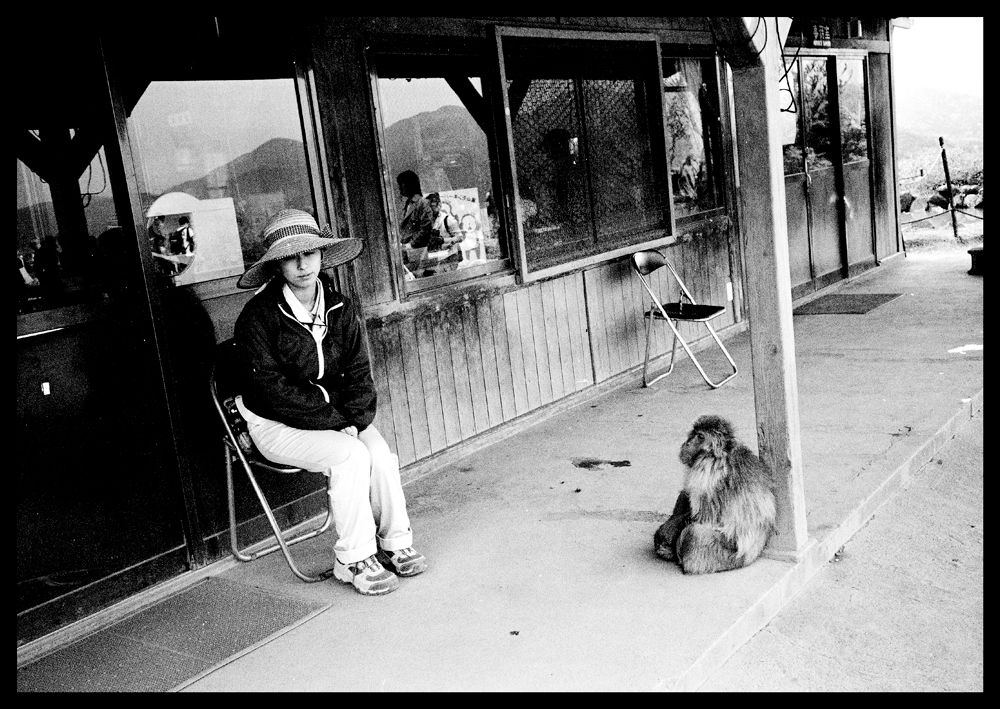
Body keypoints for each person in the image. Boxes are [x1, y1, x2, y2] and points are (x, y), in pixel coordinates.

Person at [233, 209, 426, 596]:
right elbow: (270, 392)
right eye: (291, 256)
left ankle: (394, 541)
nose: (303, 264)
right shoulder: (258, 317)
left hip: (336, 419)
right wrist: (333, 422)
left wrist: (352, 418)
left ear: (323, 255)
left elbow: (359, 375)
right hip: (276, 425)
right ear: (277, 265)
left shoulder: (341, 308)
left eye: (310, 253)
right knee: (351, 456)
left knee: (379, 452)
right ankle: (353, 558)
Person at [396, 170, 435, 250]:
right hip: (408, 249)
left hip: (418, 250)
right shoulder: (408, 204)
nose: (399, 187)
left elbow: (426, 230)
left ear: (409, 185)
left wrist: (411, 245)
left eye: (401, 184)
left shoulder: (422, 203)